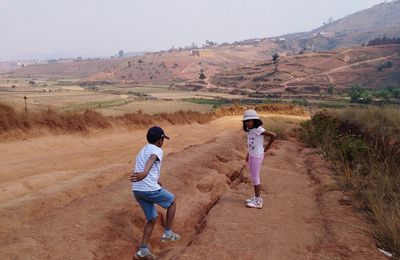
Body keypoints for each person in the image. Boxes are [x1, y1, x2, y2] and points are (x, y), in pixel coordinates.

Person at [130, 126, 181, 259]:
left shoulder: (143, 149)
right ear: (160, 140)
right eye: (163, 139)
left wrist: (153, 180)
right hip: (148, 189)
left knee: (152, 219)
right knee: (173, 201)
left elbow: (143, 164)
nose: (162, 142)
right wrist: (145, 174)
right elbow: (152, 159)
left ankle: (143, 251)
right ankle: (168, 234)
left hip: (137, 190)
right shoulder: (157, 150)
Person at [242, 110, 277, 209]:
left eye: (249, 121)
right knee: (253, 176)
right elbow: (251, 144)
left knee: (255, 177)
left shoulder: (258, 129)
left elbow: (274, 135)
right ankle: (256, 198)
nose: (247, 123)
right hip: (253, 155)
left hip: (257, 156)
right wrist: (248, 154)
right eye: (246, 121)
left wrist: (267, 147)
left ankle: (258, 201)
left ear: (255, 121)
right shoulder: (251, 130)